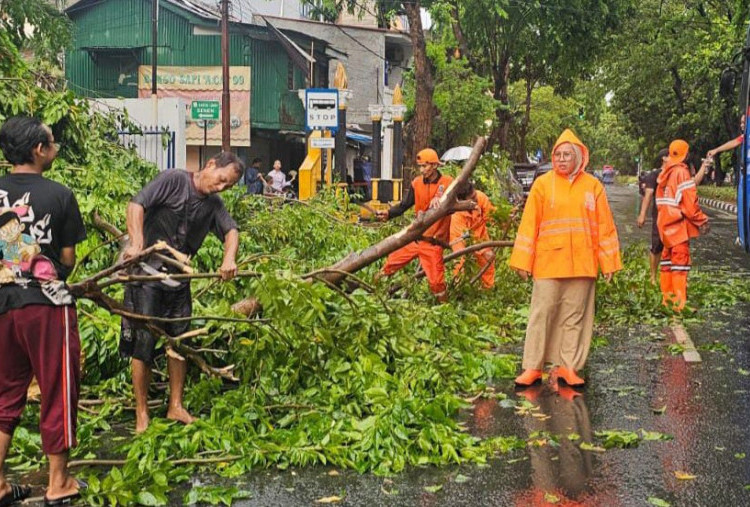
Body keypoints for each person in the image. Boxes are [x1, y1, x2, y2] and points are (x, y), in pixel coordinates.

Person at [120, 152, 241, 433]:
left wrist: (229, 259)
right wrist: (137, 242)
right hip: (146, 276)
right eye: (222, 180)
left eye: (228, 186)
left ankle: (176, 405)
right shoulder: (174, 180)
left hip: (178, 282)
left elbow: (231, 231)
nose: (221, 187)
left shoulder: (213, 204)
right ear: (211, 164)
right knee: (144, 344)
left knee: (179, 342)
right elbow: (136, 204)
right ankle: (142, 411)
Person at [0, 116, 88, 505]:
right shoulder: (60, 194)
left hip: (3, 304)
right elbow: (67, 259)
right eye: (51, 143)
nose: (54, 149)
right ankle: (59, 483)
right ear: (38, 150)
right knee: (58, 390)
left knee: (5, 393)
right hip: (46, 305)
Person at [510, 129, 621, 387]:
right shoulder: (542, 184)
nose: (561, 159)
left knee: (575, 318)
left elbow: (605, 227)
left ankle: (567, 368)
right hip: (548, 263)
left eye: (566, 155)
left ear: (579, 157)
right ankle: (533, 367)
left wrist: (609, 263)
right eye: (557, 154)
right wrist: (522, 262)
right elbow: (528, 225)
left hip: (582, 264)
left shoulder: (593, 187)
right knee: (541, 314)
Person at [375, 148, 454, 302]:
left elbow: (462, 197)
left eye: (425, 166)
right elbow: (404, 205)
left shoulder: (448, 183)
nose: (421, 170)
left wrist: (444, 200)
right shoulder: (416, 183)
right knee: (389, 265)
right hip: (415, 238)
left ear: (434, 166)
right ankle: (370, 293)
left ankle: (446, 311)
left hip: (433, 242)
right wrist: (389, 213)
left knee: (437, 283)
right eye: (420, 166)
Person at [638, 149, 712, 284]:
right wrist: (642, 215)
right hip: (664, 219)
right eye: (670, 156)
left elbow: (692, 183)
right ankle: (655, 278)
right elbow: (648, 195)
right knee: (658, 248)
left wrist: (703, 167)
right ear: (664, 159)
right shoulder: (656, 175)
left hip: (673, 220)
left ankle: (670, 284)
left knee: (671, 253)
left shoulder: (676, 173)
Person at [656, 140, 709, 312]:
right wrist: (702, 221)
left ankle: (668, 301)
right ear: (686, 154)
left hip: (665, 228)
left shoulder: (665, 173)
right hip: (678, 228)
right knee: (680, 265)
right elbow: (690, 205)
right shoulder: (681, 172)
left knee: (666, 264)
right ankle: (679, 305)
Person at [450, 181, 496, 289]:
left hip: (480, 234)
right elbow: (466, 240)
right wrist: (482, 250)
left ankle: (487, 289)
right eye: (472, 198)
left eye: (474, 195)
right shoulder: (456, 217)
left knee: (488, 260)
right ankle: (459, 289)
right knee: (460, 263)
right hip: (460, 238)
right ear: (462, 202)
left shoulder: (480, 197)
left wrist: (506, 217)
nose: (476, 199)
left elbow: (492, 215)